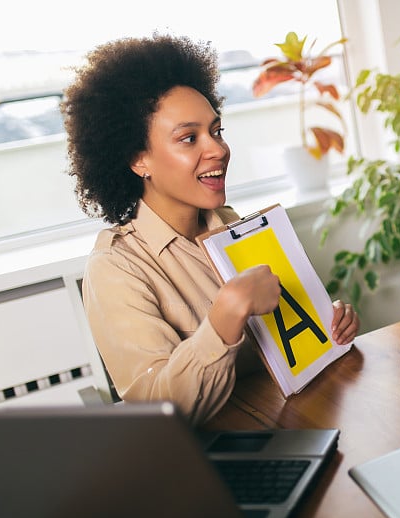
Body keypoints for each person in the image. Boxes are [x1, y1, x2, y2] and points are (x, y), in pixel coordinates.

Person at [61, 34, 359, 426]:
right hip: (212, 463)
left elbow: (288, 349)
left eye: (216, 131)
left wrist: (328, 324)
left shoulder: (236, 225)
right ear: (138, 159)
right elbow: (161, 415)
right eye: (189, 138)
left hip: (289, 423)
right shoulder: (117, 270)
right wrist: (226, 316)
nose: (218, 149)